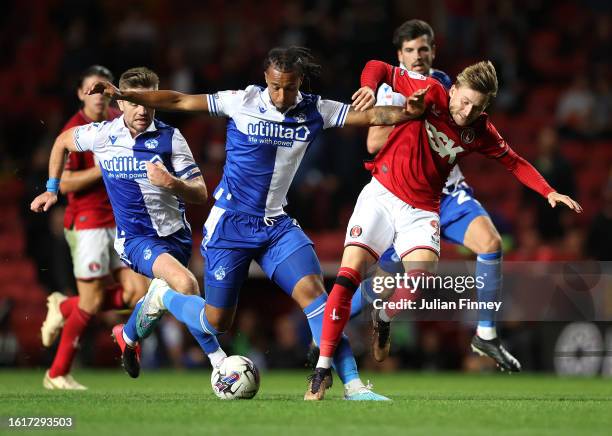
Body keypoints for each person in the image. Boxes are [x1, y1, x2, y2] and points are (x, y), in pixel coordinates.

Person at [88, 46, 426, 400]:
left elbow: (371, 115)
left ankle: (354, 386)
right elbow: (180, 100)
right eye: (277, 86)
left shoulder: (314, 109)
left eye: (290, 87)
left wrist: (408, 112)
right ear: (266, 79)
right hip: (230, 226)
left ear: (300, 83)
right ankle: (164, 298)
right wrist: (125, 94)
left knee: (318, 299)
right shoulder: (242, 101)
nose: (282, 95)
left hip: (276, 225)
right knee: (217, 322)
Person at [308, 58, 582, 398]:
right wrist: (369, 86)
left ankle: (384, 313)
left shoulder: (479, 130)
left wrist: (549, 191)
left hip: (423, 209)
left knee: (421, 278)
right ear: (452, 91)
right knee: (349, 277)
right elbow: (378, 66)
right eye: (464, 101)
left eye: (476, 107)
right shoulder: (432, 93)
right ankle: (321, 371)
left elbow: (514, 162)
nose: (466, 112)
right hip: (382, 193)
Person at [345, 19, 519, 370]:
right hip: (406, 195)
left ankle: (486, 335)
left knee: (490, 243)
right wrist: (413, 116)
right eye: (410, 50)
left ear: (433, 51)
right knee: (381, 284)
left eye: (423, 49)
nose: (418, 56)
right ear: (400, 55)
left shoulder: (449, 87)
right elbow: (373, 143)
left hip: (448, 191)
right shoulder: (392, 90)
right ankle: (325, 327)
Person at [30, 67, 218, 381]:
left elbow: (200, 193)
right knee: (185, 285)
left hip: (175, 236)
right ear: (121, 103)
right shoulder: (102, 134)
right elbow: (62, 142)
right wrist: (51, 189)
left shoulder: (171, 137)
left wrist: (172, 182)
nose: (142, 109)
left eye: (149, 101)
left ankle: (126, 336)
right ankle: (219, 362)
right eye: (134, 101)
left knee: (148, 297)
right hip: (126, 235)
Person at [39, 65, 149, 390]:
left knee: (138, 292)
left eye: (102, 91)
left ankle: (63, 305)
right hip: (88, 224)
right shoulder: (75, 130)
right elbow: (66, 183)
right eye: (91, 91)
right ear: (80, 94)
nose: (98, 98)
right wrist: (102, 169)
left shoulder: (117, 122)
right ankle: (57, 373)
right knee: (91, 302)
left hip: (119, 222)